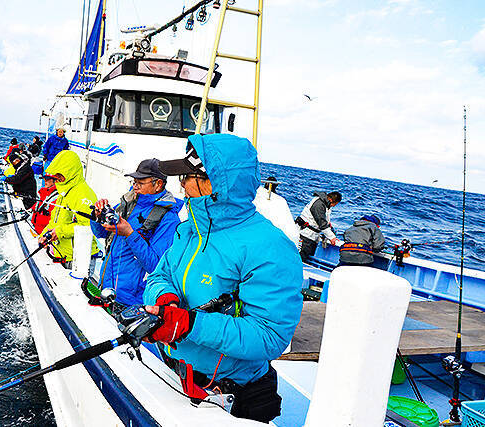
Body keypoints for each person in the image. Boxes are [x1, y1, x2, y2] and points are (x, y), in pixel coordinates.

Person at [143, 134, 303, 423]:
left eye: (186, 176)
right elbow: (158, 276)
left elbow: (270, 337)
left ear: (213, 182)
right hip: (174, 376)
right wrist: (166, 299)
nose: (180, 184)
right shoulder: (189, 229)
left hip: (229, 399)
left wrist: (190, 325)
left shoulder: (271, 247)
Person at [91, 159, 183, 307]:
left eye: (140, 182)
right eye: (134, 182)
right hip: (108, 292)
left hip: (133, 303)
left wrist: (129, 233)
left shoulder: (169, 220)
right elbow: (101, 233)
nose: (135, 186)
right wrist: (97, 216)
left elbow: (156, 266)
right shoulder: (129, 201)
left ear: (158, 184)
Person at [37, 150, 98, 268]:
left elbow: (89, 226)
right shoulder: (63, 190)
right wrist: (44, 235)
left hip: (79, 257)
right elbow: (55, 221)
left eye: (60, 175)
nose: (58, 178)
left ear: (71, 171)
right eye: (56, 175)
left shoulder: (83, 194)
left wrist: (59, 232)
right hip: (63, 254)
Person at [296, 191, 342, 262]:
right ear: (331, 200)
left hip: (313, 237)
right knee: (300, 259)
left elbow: (325, 222)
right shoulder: (319, 204)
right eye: (335, 204)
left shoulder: (325, 204)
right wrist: (332, 237)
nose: (334, 206)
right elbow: (321, 222)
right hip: (305, 234)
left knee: (307, 258)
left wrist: (331, 231)